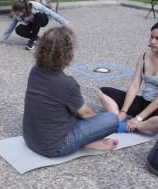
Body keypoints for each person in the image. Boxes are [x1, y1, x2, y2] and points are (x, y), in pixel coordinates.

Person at [23, 26, 118, 157]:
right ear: (66, 53)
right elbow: (86, 114)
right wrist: (100, 124)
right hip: (53, 147)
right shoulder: (67, 83)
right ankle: (84, 141)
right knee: (112, 119)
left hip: (30, 138)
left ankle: (85, 140)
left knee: (67, 110)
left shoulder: (36, 70)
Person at [99, 21, 158, 134]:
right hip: (144, 102)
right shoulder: (144, 56)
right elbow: (134, 85)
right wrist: (123, 111)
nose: (152, 41)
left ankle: (137, 126)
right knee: (103, 92)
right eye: (151, 37)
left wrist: (138, 118)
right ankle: (117, 120)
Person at [2, 0, 68, 50]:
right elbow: (12, 25)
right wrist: (4, 37)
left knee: (38, 15)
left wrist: (64, 22)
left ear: (24, 10)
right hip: (32, 23)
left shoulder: (35, 5)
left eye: (17, 13)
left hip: (42, 20)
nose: (16, 14)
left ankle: (31, 42)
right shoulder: (17, 15)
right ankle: (39, 39)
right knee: (18, 29)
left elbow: (50, 13)